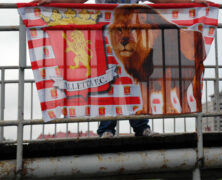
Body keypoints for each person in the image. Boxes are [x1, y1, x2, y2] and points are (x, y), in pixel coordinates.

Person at [32, 0, 207, 138]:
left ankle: (141, 126)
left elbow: (163, 0)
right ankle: (106, 128)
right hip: (104, 39)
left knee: (134, 82)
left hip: (131, 40)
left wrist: (191, 1)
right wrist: (51, 1)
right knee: (107, 83)